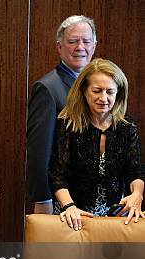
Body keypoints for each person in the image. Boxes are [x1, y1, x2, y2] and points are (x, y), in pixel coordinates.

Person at [49, 59, 144, 230]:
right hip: (73, 213)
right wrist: (69, 207)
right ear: (84, 91)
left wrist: (137, 194)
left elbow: (135, 170)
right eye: (97, 91)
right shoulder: (67, 124)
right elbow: (57, 175)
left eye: (110, 92)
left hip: (114, 218)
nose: (104, 98)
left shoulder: (127, 126)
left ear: (118, 93)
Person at [27, 15, 97, 214]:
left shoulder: (98, 85)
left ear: (94, 45)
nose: (80, 47)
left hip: (93, 197)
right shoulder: (47, 88)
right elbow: (38, 151)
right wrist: (42, 198)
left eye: (86, 41)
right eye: (73, 41)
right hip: (61, 198)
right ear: (59, 47)